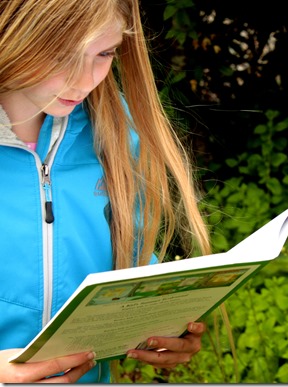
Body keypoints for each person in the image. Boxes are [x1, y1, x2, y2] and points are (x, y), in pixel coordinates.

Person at [0, 0, 212, 383]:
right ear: (12, 32)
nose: (83, 81)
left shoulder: (116, 132)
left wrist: (164, 316)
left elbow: (124, 257)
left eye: (104, 53)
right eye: (60, 54)